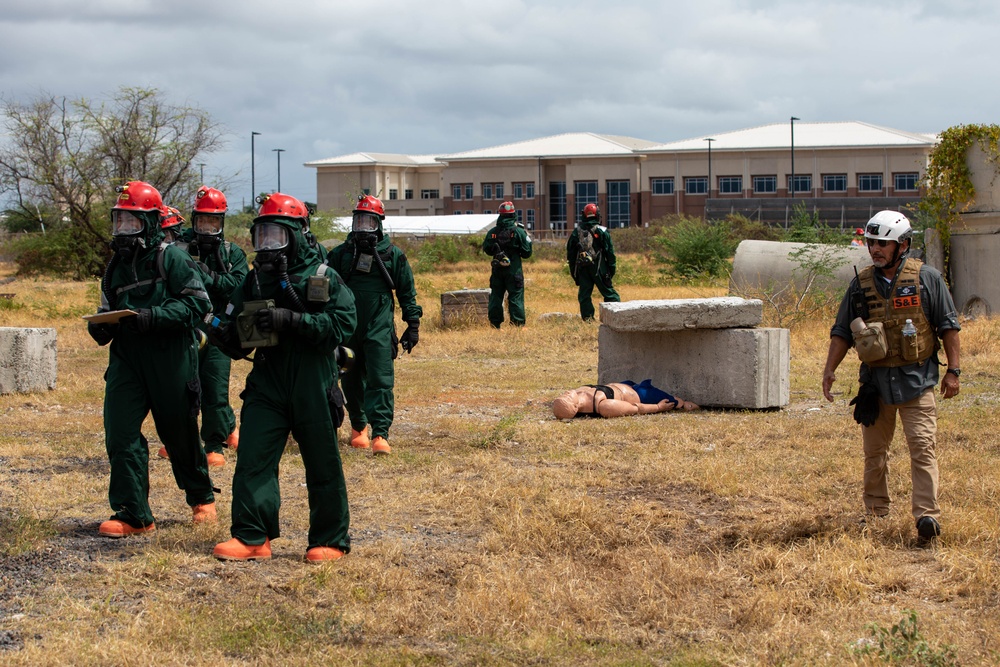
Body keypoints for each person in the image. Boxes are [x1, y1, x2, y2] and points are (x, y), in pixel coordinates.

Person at [208, 192, 356, 562]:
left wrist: (292, 320)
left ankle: (329, 538)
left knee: (322, 462)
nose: (268, 245)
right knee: (254, 457)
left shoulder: (323, 277)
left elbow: (341, 325)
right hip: (268, 380)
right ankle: (252, 536)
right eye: (262, 236)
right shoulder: (253, 282)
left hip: (313, 380)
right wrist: (224, 334)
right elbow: (233, 328)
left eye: (277, 236)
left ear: (299, 235)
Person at [85, 180, 217, 537]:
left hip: (170, 356)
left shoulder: (171, 256)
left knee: (179, 432)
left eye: (133, 222)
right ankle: (134, 513)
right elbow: (106, 307)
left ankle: (201, 496)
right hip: (127, 358)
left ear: (151, 223)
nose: (124, 230)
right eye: (120, 221)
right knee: (120, 431)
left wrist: (153, 316)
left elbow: (198, 305)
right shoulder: (115, 267)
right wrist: (100, 327)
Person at [821, 210, 961, 542]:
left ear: (903, 245)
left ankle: (927, 517)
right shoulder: (860, 284)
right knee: (874, 454)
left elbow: (948, 327)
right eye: (871, 243)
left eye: (883, 243)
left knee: (923, 449)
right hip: (876, 386)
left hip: (918, 382)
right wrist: (829, 370)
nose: (875, 249)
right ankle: (876, 513)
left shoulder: (927, 279)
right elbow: (842, 331)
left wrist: (953, 371)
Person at [328, 195, 422, 455]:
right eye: (359, 221)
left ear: (379, 224)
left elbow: (407, 292)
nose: (363, 227)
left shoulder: (393, 256)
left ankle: (381, 432)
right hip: (347, 327)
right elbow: (323, 287)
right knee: (349, 377)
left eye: (369, 221)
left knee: (380, 378)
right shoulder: (339, 254)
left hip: (378, 326)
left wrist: (412, 324)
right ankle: (359, 427)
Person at [186, 186, 248, 466]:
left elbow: (238, 287)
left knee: (214, 386)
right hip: (185, 327)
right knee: (181, 385)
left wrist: (210, 275)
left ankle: (214, 444)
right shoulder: (180, 248)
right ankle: (183, 440)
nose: (207, 227)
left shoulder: (232, 253)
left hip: (219, 330)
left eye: (213, 221)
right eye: (202, 221)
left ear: (222, 222)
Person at [482, 201, 532, 328]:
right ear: (513, 214)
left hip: (497, 270)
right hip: (514, 271)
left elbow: (487, 250)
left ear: (500, 214)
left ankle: (495, 324)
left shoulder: (492, 232)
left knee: (496, 296)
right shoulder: (519, 232)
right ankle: (518, 324)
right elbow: (527, 253)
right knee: (515, 296)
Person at [566, 203, 619, 320]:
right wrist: (611, 270)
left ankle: (588, 320)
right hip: (600, 267)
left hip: (583, 267)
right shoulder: (602, 231)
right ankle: (616, 318)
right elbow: (610, 253)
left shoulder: (576, 231)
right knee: (609, 293)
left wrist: (575, 274)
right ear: (597, 215)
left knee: (584, 295)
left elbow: (570, 254)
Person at [552, 379, 699, 419]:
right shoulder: (604, 406)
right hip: (641, 393)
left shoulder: (578, 394)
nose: (566, 393)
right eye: (567, 398)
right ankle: (697, 407)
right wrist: (658, 408)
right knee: (680, 403)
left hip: (624, 384)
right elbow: (634, 408)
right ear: (575, 407)